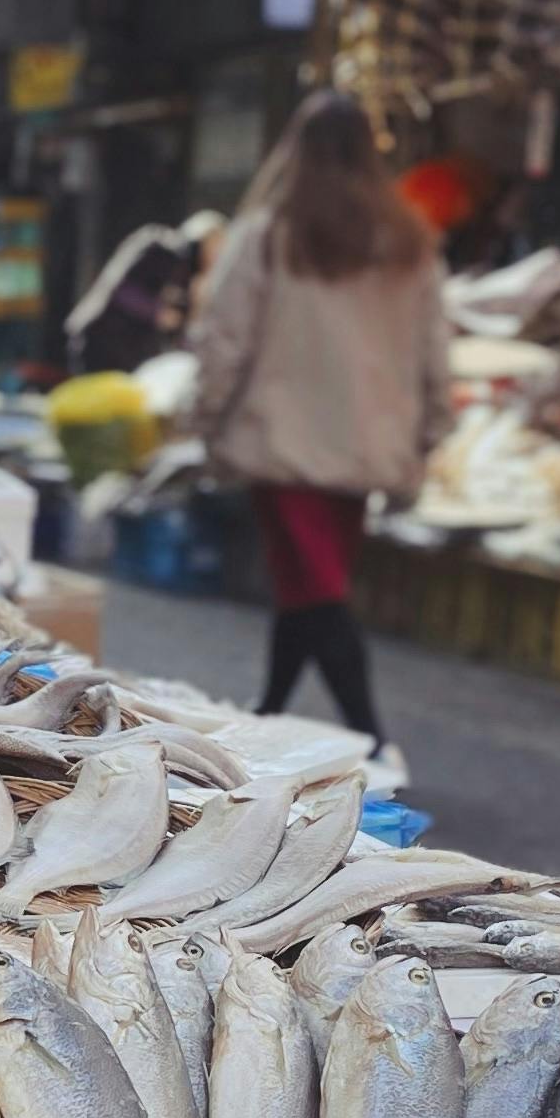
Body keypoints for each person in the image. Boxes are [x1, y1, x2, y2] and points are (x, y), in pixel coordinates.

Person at [185, 88, 448, 750]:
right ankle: (270, 712)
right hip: (367, 444)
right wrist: (428, 433)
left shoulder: (268, 236)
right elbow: (434, 349)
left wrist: (205, 418)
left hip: (282, 441)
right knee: (306, 584)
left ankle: (369, 736)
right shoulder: (408, 242)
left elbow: (224, 340)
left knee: (316, 589)